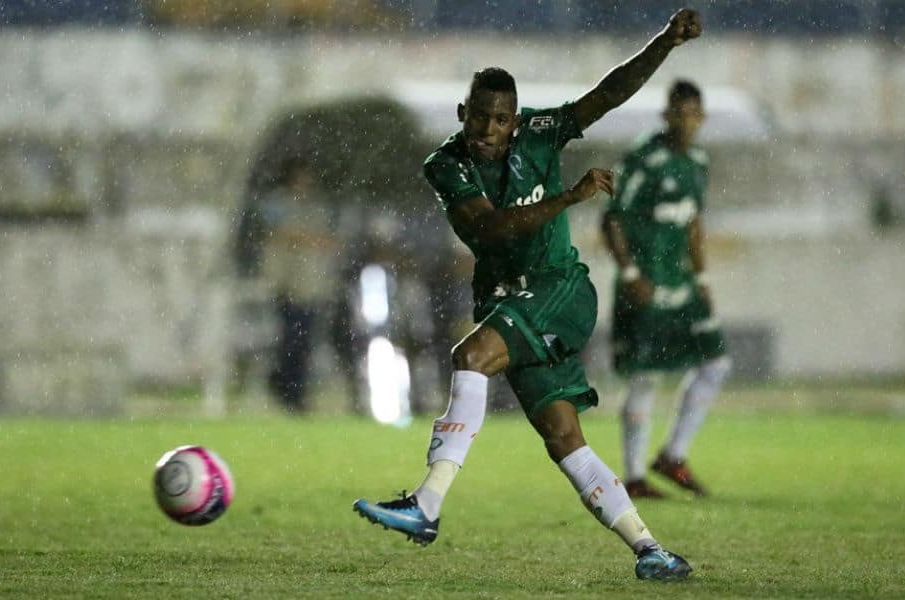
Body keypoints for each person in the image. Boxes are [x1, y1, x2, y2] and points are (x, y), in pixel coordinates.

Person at [353, 9, 702, 581]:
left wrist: (665, 41)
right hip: (507, 301)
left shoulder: (542, 133)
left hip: (559, 289)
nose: (488, 129)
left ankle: (427, 504)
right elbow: (491, 228)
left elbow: (607, 95)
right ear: (463, 114)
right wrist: (568, 198)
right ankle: (651, 550)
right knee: (564, 438)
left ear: (515, 122)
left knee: (470, 356)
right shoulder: (445, 165)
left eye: (500, 120)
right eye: (479, 117)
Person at [601, 80, 732, 499]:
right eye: (679, 113)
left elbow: (693, 223)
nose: (686, 122)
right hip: (645, 282)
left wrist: (703, 278)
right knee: (645, 376)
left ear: (702, 118)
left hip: (682, 284)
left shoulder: (697, 162)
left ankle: (673, 456)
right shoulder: (644, 158)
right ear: (666, 115)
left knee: (716, 363)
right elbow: (612, 218)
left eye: (693, 114)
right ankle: (635, 476)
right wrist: (630, 273)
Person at [259, 158, 340, 413]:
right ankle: (286, 386)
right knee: (290, 339)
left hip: (310, 286)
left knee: (304, 341)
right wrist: (314, 239)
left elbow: (327, 240)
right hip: (288, 283)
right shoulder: (278, 203)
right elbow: (284, 232)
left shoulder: (315, 207)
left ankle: (295, 390)